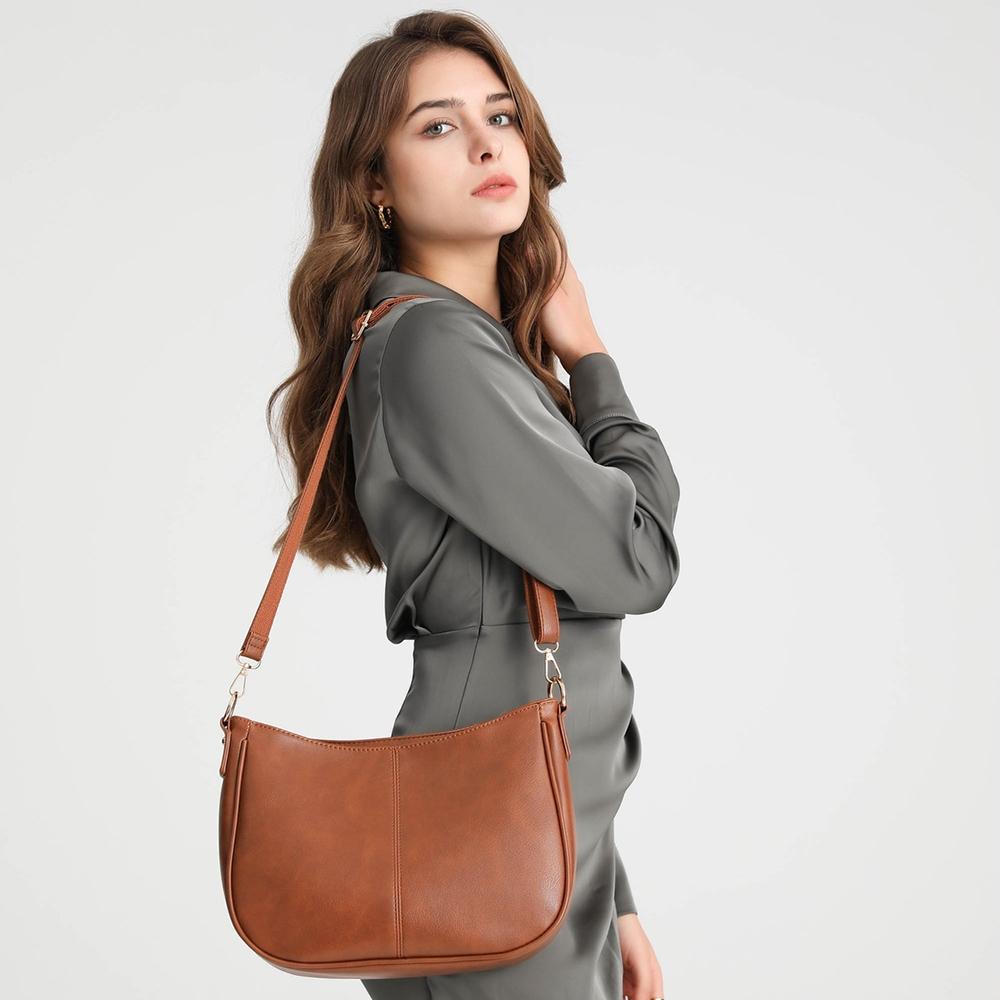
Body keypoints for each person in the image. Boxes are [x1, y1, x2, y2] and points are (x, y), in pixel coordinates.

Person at [271, 11, 680, 999]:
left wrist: (611, 895)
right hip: (489, 856)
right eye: (437, 125)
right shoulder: (430, 345)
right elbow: (636, 561)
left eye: (499, 116)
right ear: (375, 182)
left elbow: (544, 679)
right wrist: (593, 360)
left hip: (538, 845)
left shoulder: (482, 353)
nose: (488, 144)